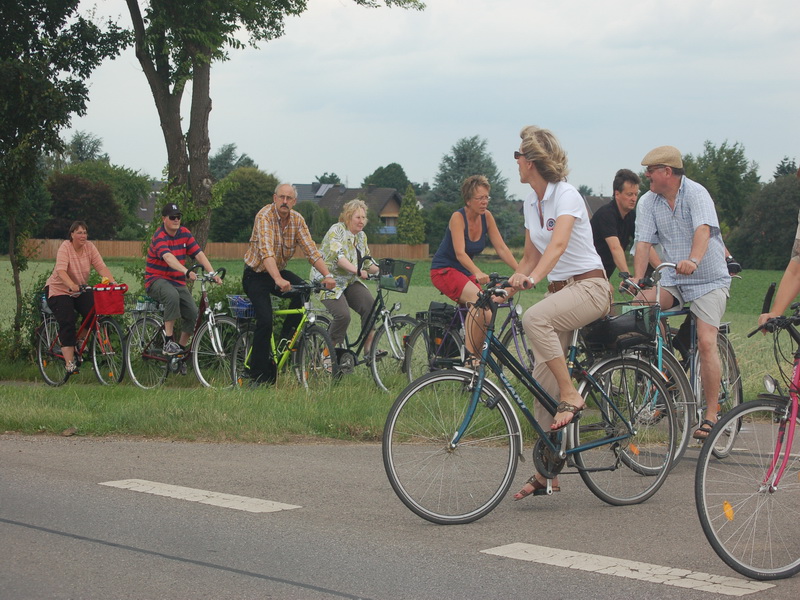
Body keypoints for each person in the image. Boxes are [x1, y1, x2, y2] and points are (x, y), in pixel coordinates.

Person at [507, 126, 611, 500]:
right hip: (562, 294)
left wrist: (534, 278)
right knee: (540, 386)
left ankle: (572, 393)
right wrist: (506, 289)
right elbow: (530, 256)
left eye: (518, 156)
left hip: (590, 287)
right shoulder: (530, 203)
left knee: (534, 318)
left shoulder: (566, 195)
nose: (516, 162)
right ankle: (547, 472)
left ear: (531, 162)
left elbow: (559, 244)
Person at [631, 146, 730, 441]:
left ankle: (711, 414)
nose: (647, 176)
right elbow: (643, 242)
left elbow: (703, 231)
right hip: (674, 278)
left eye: (651, 170)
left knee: (706, 341)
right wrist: (637, 279)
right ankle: (666, 370)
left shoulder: (696, 194)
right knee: (641, 305)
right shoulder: (648, 201)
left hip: (708, 279)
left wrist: (694, 260)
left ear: (667, 172)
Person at [242, 183, 336, 386]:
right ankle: (256, 375)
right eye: (281, 197)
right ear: (275, 198)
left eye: (289, 198)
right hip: (255, 275)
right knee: (265, 320)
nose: (285, 201)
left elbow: (311, 251)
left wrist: (327, 275)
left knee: (303, 290)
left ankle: (285, 341)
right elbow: (266, 252)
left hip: (278, 272)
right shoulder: (264, 216)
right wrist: (277, 279)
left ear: (294, 201)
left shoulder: (297, 220)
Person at [429, 174, 519, 362]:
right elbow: (460, 253)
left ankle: (478, 360)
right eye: (480, 198)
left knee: (487, 312)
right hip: (444, 270)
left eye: (487, 197)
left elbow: (501, 248)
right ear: (468, 200)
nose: (484, 202)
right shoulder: (458, 217)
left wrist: (520, 271)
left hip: (464, 272)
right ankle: (469, 360)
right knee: (479, 303)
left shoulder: (487, 217)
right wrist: (477, 272)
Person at [145, 203, 222, 356]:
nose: (176, 220)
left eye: (178, 217)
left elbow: (199, 254)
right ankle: (168, 342)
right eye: (172, 217)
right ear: (164, 219)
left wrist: (212, 273)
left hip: (177, 282)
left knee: (194, 314)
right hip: (156, 280)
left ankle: (179, 351)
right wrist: (186, 271)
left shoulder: (185, 233)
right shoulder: (159, 236)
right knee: (171, 296)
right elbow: (168, 257)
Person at [45, 221, 118, 374]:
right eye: (79, 232)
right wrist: (71, 285)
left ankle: (79, 341)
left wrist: (113, 282)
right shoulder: (65, 247)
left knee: (96, 311)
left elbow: (101, 267)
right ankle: (69, 363)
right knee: (67, 320)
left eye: (85, 232)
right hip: (59, 290)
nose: (83, 235)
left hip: (79, 289)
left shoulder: (89, 247)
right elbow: (61, 271)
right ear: (72, 234)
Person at [312, 199, 380, 352]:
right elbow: (339, 258)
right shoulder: (336, 230)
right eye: (358, 217)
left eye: (363, 217)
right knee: (343, 315)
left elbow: (367, 262)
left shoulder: (361, 236)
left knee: (370, 306)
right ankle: (326, 354)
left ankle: (369, 351)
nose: (361, 221)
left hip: (349, 280)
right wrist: (357, 271)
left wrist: (384, 272)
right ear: (348, 217)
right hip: (328, 280)